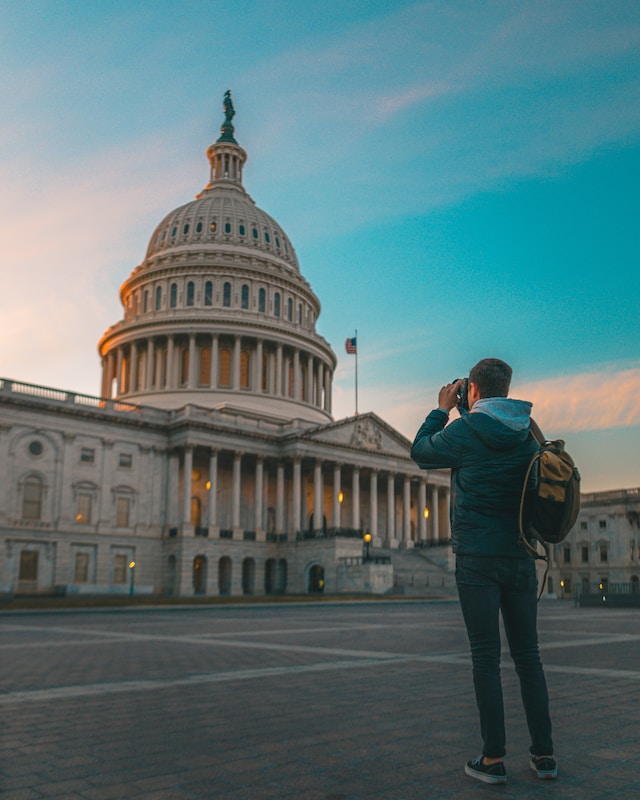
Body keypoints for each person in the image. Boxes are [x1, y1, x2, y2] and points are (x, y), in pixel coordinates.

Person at [410, 358, 557, 785]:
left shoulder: (464, 431)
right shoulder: (526, 432)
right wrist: (464, 413)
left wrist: (441, 409)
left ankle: (493, 759)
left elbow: (421, 451)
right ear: (506, 391)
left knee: (486, 660)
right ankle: (544, 755)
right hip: (520, 556)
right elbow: (490, 436)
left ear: (471, 390)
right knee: (529, 658)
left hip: (477, 559)